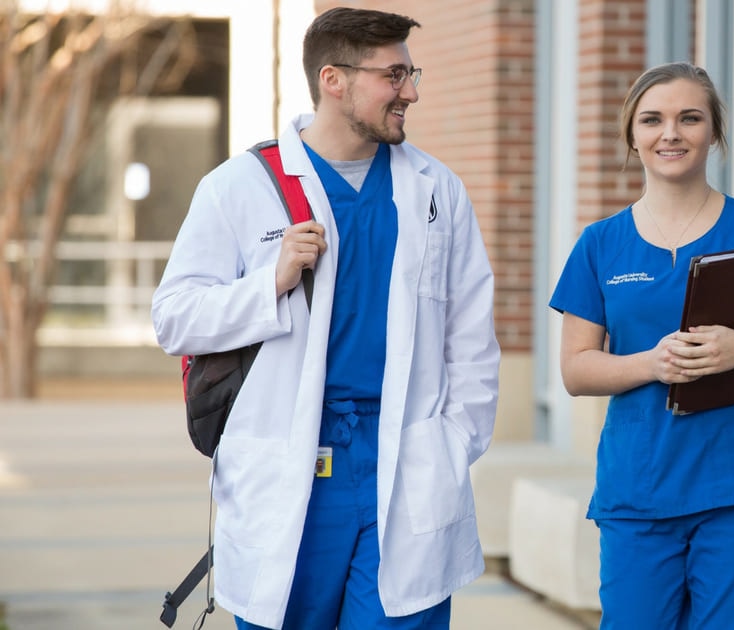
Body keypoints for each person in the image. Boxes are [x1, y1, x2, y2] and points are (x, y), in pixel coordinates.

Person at [152, 7, 500, 629]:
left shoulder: (436, 190)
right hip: (294, 467)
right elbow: (174, 318)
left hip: (407, 462)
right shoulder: (239, 187)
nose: (411, 92)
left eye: (412, 73)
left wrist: (453, 445)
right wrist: (271, 283)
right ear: (334, 79)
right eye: (395, 75)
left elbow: (470, 337)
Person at [549, 62, 734, 629]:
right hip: (638, 489)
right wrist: (652, 362)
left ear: (714, 133)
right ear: (632, 134)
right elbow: (576, 370)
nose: (670, 133)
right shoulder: (600, 243)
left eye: (689, 118)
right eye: (652, 120)